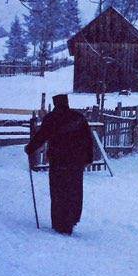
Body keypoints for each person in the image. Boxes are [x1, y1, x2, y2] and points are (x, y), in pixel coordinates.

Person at [25, 94, 94, 235]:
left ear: (55, 103)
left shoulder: (51, 118)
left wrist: (30, 148)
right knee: (74, 191)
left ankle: (60, 222)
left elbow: (41, 136)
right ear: (67, 102)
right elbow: (88, 139)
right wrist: (88, 158)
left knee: (58, 191)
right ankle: (72, 219)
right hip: (76, 162)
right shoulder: (78, 117)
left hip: (59, 161)